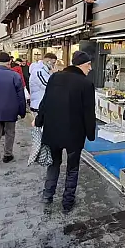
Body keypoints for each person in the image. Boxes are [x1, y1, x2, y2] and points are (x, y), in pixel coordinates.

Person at [35, 51, 95, 213]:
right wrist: (91, 133)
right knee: (72, 167)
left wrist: (39, 120)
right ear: (82, 65)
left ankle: (48, 195)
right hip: (75, 133)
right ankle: (67, 201)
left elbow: (45, 101)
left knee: (53, 164)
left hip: (53, 129)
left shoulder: (55, 77)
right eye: (89, 64)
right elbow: (88, 112)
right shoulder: (86, 84)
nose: (90, 68)